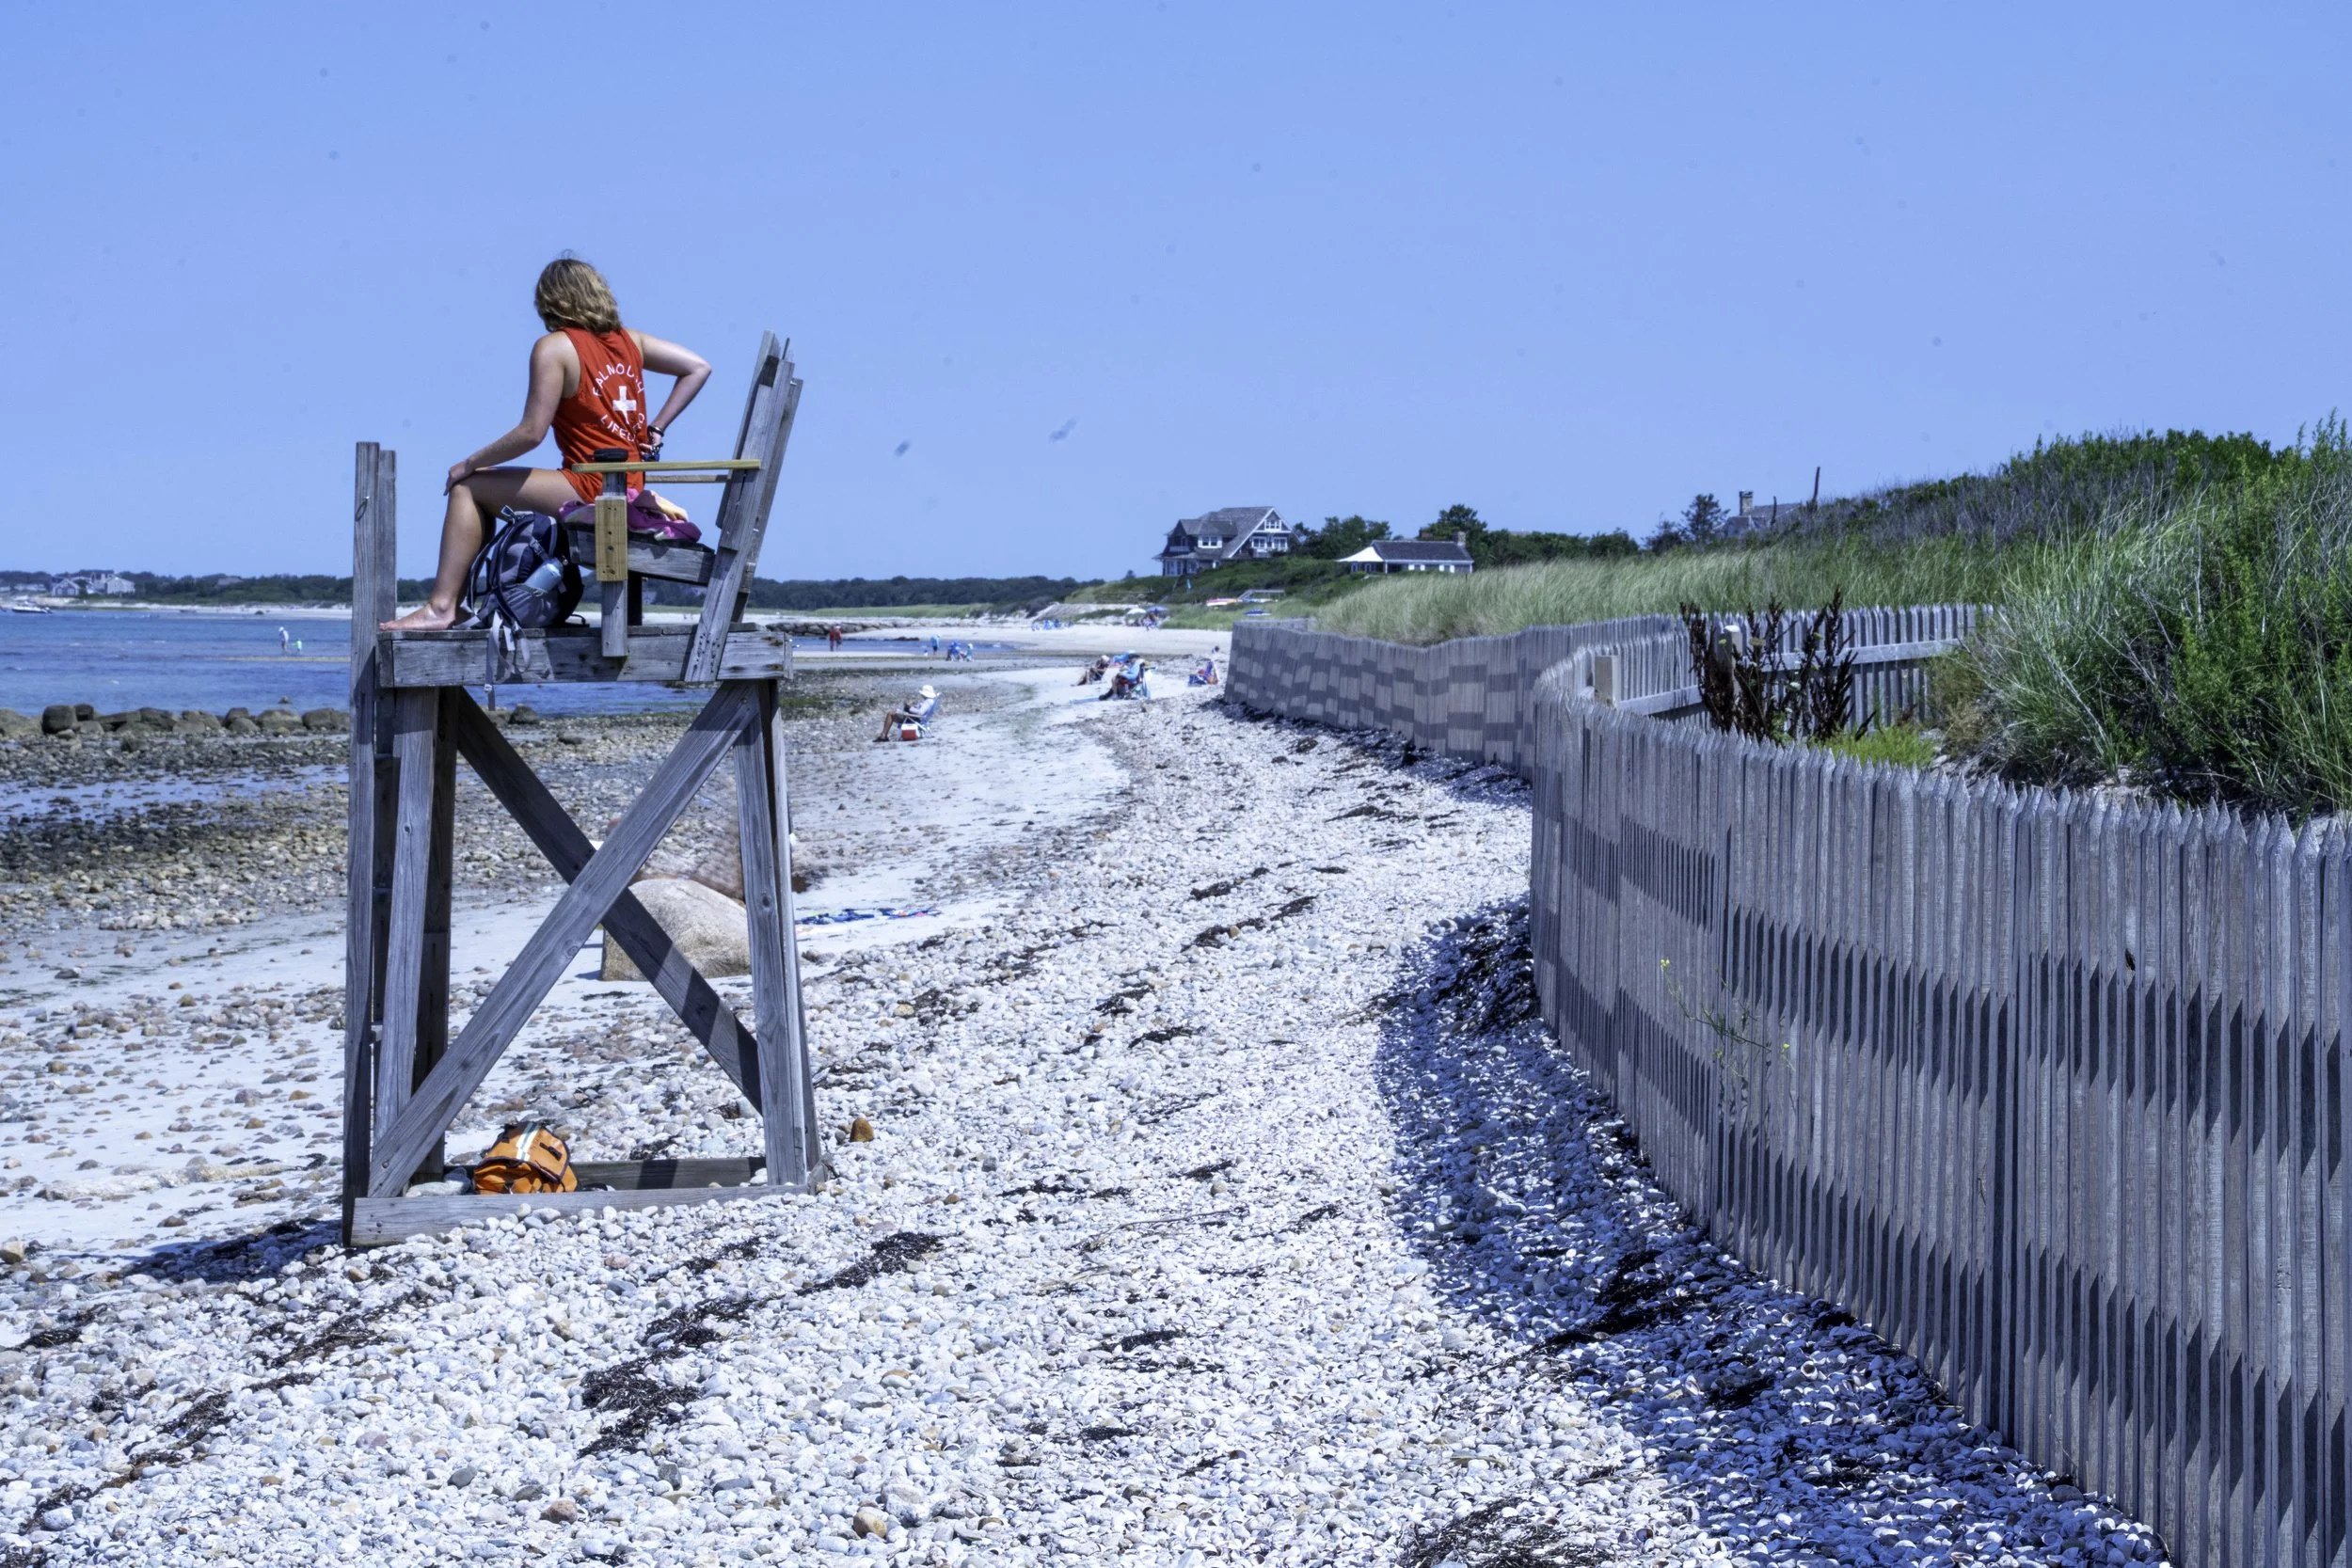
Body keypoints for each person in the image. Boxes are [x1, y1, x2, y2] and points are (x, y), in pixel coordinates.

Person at [382, 257, 712, 630]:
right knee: (479, 489)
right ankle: (454, 606)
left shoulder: (555, 347)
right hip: (629, 484)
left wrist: (469, 462)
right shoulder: (630, 341)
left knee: (468, 488)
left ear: (550, 302)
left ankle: (442, 608)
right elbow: (698, 367)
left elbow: (531, 433)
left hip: (591, 487)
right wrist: (658, 428)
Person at [876, 684, 942, 741]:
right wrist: (912, 706)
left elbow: (920, 713)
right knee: (895, 712)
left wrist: (910, 708)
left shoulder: (928, 701)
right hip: (917, 718)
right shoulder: (931, 701)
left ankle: (883, 736)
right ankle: (883, 735)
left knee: (890, 714)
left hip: (915, 719)